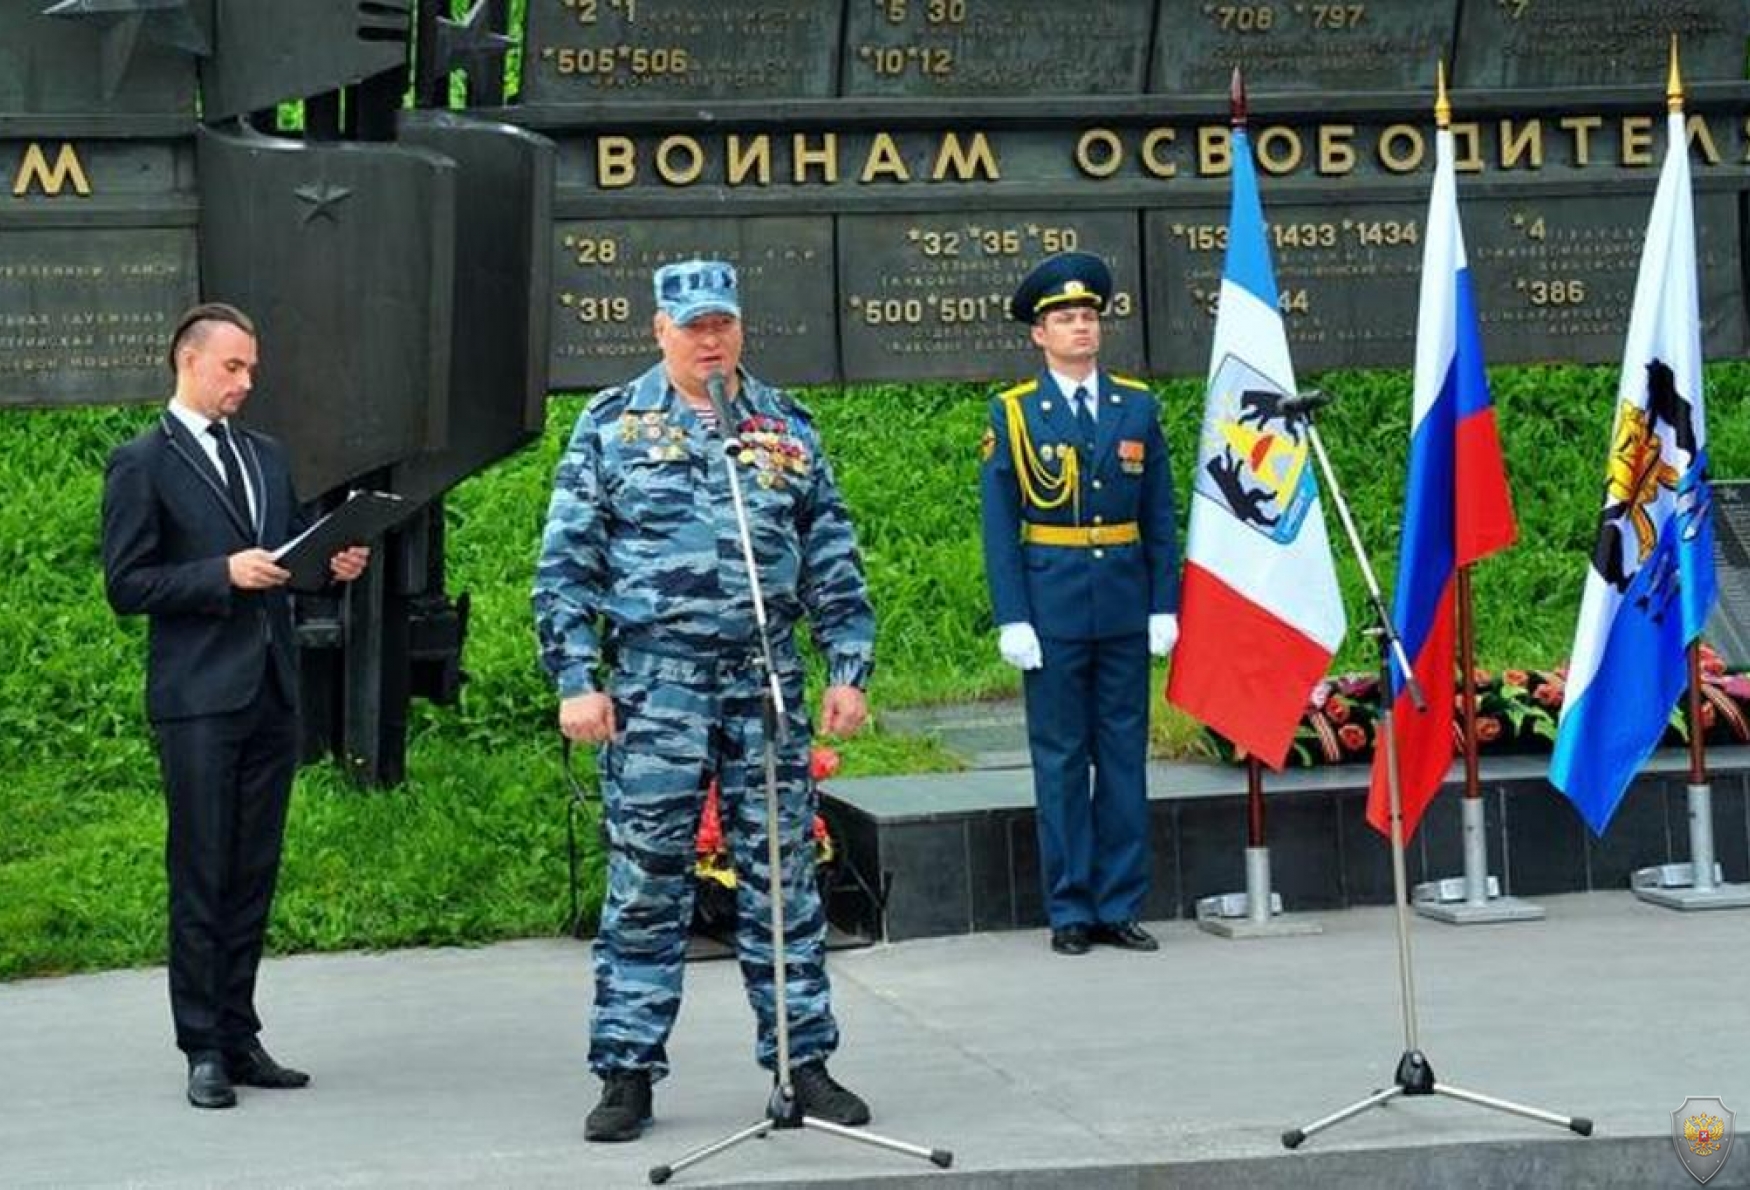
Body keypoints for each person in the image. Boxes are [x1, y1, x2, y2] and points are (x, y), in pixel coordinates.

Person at [534, 259, 877, 1143]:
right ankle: (626, 1071)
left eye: (722, 323)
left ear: (741, 328)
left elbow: (832, 552)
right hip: (656, 688)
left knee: (783, 881)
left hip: (764, 685)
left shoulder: (783, 426)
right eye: (692, 327)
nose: (710, 340)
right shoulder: (612, 425)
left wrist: (848, 665)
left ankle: (804, 1064)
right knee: (646, 881)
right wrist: (577, 680)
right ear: (660, 331)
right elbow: (566, 568)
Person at [101, 302, 369, 1109]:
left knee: (252, 870)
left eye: (251, 368)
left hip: (269, 691)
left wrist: (332, 560)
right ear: (190, 362)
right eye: (234, 367)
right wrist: (221, 573)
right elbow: (127, 584)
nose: (247, 382)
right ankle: (202, 1048)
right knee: (202, 868)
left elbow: (284, 552)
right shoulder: (141, 462)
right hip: (198, 701)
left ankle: (241, 1031)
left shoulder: (265, 455)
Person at [979, 251, 1181, 956]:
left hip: (1124, 603)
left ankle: (1119, 903)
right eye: (1065, 319)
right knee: (1062, 759)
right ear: (1040, 335)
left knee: (1124, 756)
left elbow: (1159, 510)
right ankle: (1069, 908)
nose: (1081, 328)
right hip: (1053, 603)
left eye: (1089, 316)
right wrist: (1013, 614)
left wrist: (1165, 603)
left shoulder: (1136, 405)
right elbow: (1000, 522)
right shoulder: (1012, 413)